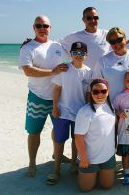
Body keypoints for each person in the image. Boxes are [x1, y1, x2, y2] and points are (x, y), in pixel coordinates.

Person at [19, 15, 69, 177]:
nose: (42, 28)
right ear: (33, 27)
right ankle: (32, 163)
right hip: (37, 96)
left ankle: (57, 155)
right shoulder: (28, 48)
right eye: (39, 25)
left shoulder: (58, 46)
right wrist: (52, 72)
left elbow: (81, 49)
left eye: (45, 26)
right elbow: (27, 70)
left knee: (59, 130)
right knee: (34, 132)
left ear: (50, 28)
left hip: (59, 97)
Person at [46, 42, 92, 185]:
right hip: (63, 111)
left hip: (80, 113)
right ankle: (56, 169)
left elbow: (89, 93)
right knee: (59, 141)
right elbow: (57, 89)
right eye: (75, 53)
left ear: (86, 55)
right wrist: (55, 107)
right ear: (71, 54)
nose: (78, 55)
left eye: (81, 53)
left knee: (76, 140)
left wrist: (89, 110)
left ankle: (73, 164)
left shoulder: (89, 71)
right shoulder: (64, 69)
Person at [74, 79, 116, 192]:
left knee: (107, 186)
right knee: (86, 188)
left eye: (103, 91)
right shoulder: (84, 111)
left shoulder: (111, 107)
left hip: (108, 156)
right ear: (91, 93)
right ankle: (85, 171)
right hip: (90, 158)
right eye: (96, 92)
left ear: (108, 91)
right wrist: (83, 158)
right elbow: (78, 137)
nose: (100, 94)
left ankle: (98, 173)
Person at [92, 27, 129, 103]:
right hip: (110, 106)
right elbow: (95, 83)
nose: (117, 44)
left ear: (125, 39)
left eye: (119, 40)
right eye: (113, 42)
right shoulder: (103, 60)